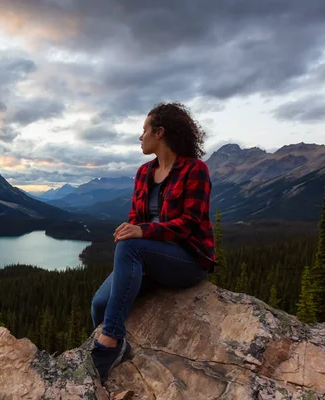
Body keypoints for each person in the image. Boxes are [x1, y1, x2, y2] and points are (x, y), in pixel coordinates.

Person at [90, 102, 217, 383]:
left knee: (131, 243)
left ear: (159, 133)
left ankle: (109, 343)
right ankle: (118, 344)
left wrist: (142, 233)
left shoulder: (195, 170)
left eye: (144, 130)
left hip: (188, 259)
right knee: (99, 304)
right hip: (151, 258)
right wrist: (135, 231)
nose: (140, 136)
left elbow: (189, 224)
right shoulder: (144, 173)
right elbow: (136, 219)